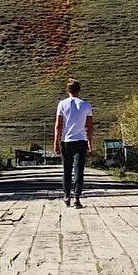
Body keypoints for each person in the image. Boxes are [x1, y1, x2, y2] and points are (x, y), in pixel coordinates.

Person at [53, 79, 93, 208]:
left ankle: (66, 196)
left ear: (67, 90)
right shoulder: (86, 105)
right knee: (79, 170)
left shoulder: (62, 104)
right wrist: (90, 142)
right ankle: (77, 197)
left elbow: (58, 125)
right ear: (79, 90)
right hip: (81, 141)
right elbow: (90, 126)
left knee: (66, 170)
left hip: (66, 141)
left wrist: (56, 142)